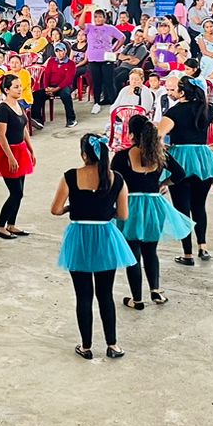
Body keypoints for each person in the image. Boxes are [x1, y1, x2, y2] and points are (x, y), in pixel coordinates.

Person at [52, 134, 132, 360]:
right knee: (105, 294)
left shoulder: (70, 176)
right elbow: (123, 215)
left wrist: (71, 208)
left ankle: (86, 346)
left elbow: (55, 210)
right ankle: (113, 345)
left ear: (84, 155)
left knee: (83, 295)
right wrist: (104, 211)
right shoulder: (116, 178)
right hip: (105, 237)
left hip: (79, 237)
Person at [113, 114, 192, 309]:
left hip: (130, 205)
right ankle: (156, 291)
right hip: (154, 206)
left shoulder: (121, 156)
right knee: (150, 251)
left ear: (131, 134)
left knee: (133, 254)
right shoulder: (160, 154)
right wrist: (163, 184)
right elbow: (180, 174)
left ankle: (137, 299)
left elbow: (112, 182)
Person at [158, 76, 213, 265]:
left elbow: (158, 134)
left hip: (180, 159)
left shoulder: (174, 112)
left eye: (174, 90)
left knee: (182, 209)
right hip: (203, 158)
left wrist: (163, 148)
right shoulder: (206, 108)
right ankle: (203, 246)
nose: (171, 93)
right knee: (199, 206)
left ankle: (188, 254)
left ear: (182, 92)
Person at [0, 73, 35, 239]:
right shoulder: (3, 108)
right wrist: (10, 157)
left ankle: (11, 224)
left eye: (20, 86)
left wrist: (31, 149)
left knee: (20, 192)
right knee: (15, 192)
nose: (19, 89)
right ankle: (0, 226)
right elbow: (1, 135)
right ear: (7, 90)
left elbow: (24, 129)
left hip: (20, 151)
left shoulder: (19, 105)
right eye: (16, 87)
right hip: (7, 152)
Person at [82, 11, 125, 113]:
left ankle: (114, 104)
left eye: (100, 17)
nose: (98, 19)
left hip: (107, 58)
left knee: (109, 82)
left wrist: (114, 49)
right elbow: (80, 24)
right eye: (96, 17)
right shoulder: (90, 27)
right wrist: (84, 11)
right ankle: (96, 103)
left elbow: (122, 38)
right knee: (96, 82)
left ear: (104, 18)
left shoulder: (110, 28)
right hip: (93, 59)